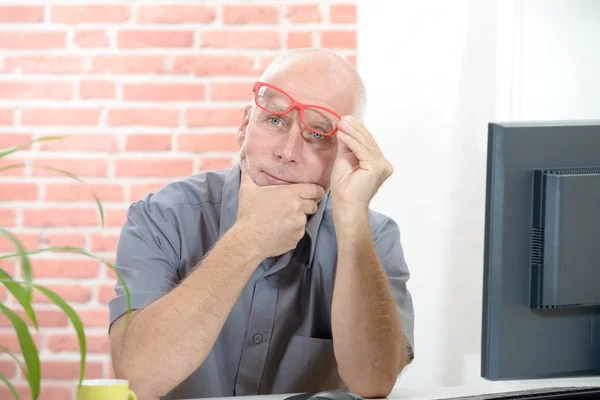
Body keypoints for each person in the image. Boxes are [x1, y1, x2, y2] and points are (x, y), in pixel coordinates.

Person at [108, 48, 415, 400]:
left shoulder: (374, 237)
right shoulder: (161, 218)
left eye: (318, 135)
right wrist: (250, 237)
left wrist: (352, 219)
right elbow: (139, 378)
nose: (287, 151)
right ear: (244, 126)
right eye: (274, 120)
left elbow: (374, 383)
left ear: (346, 155)